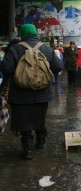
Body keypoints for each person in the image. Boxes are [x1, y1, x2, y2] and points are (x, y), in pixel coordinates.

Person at [0, 24, 64, 160]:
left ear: (22, 33)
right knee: (39, 118)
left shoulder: (15, 49)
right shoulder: (46, 48)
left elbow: (6, 68)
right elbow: (58, 66)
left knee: (24, 121)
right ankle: (40, 140)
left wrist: (21, 73)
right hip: (42, 93)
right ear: (35, 33)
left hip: (20, 93)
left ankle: (27, 149)